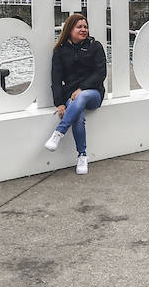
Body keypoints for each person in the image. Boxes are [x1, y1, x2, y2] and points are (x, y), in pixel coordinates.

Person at [45, 12, 107, 175]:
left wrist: (82, 88)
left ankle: (59, 132)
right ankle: (82, 156)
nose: (83, 29)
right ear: (69, 29)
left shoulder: (95, 46)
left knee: (82, 96)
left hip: (93, 93)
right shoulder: (60, 51)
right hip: (70, 95)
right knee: (76, 113)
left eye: (85, 27)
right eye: (79, 26)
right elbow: (56, 79)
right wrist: (59, 103)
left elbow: (101, 73)